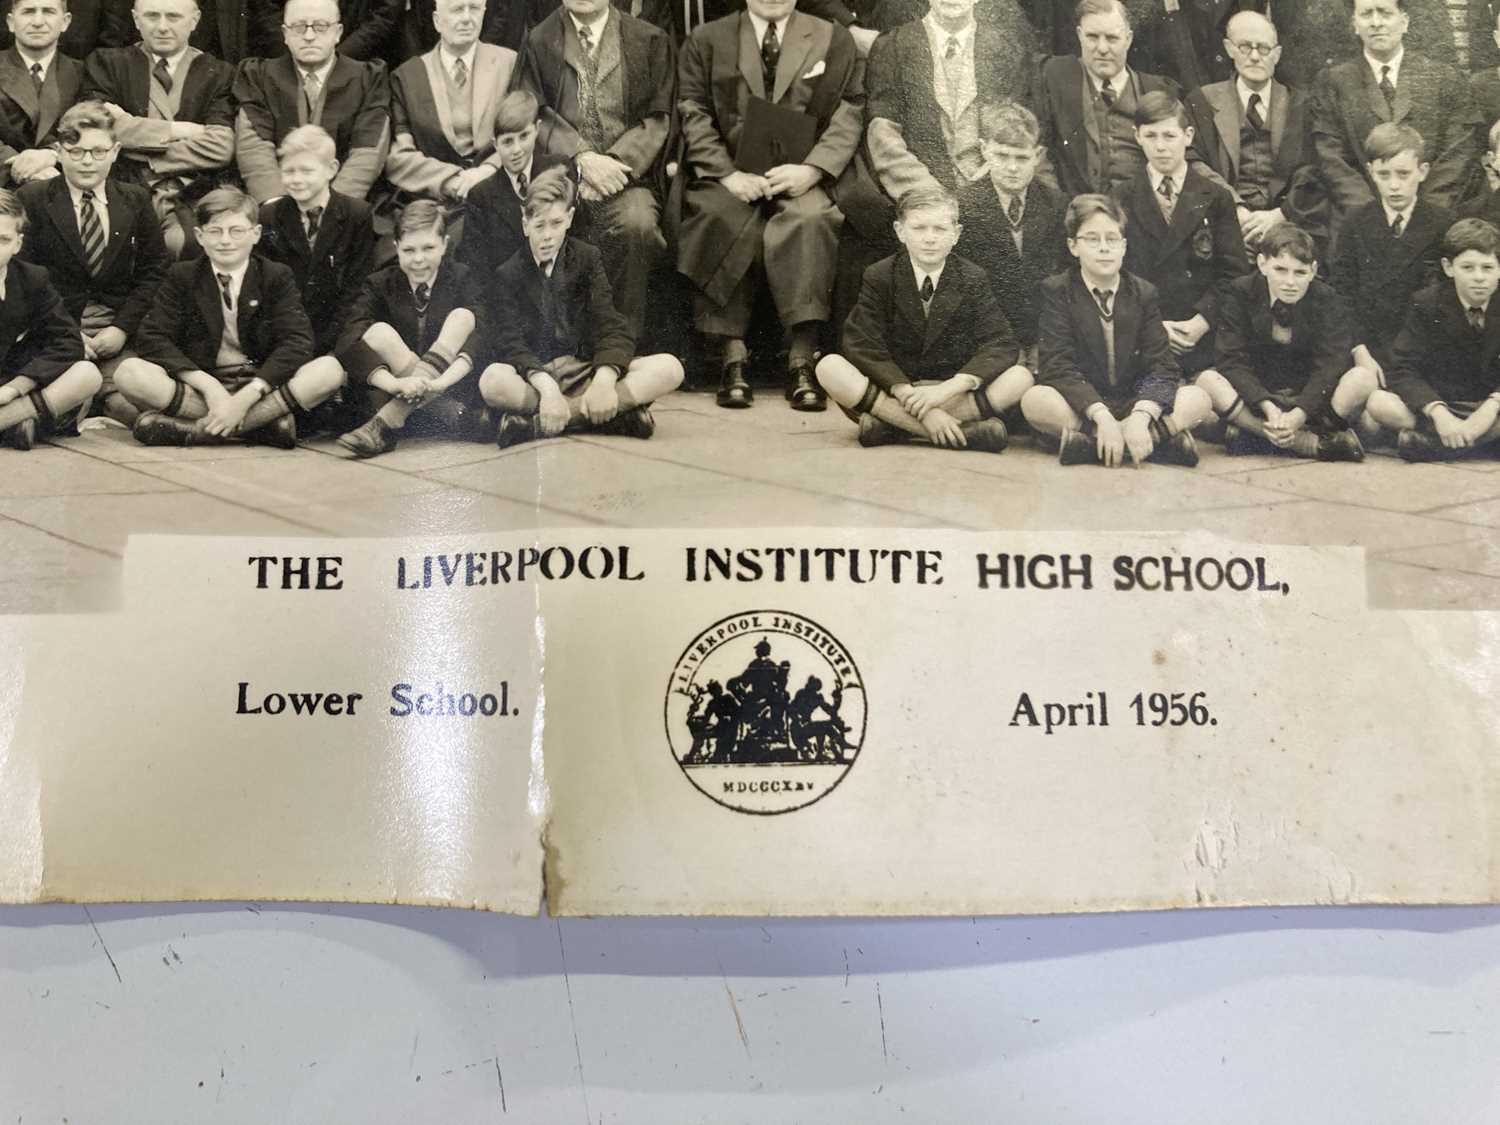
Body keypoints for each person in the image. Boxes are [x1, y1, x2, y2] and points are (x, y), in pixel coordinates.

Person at [675, 0, 862, 410]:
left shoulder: (832, 37)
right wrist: (727, 175)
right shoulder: (708, 39)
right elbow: (693, 110)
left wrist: (813, 170)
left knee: (811, 219)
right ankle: (732, 356)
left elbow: (851, 110)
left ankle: (801, 357)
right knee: (718, 215)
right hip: (730, 173)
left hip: (801, 173)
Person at [114, 186, 344, 446]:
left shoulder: (275, 275)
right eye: (215, 231)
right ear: (199, 236)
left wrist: (248, 395)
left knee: (330, 370)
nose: (226, 240)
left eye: (236, 231)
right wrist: (207, 385)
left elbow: (297, 342)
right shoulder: (183, 275)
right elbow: (152, 337)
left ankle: (198, 431)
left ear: (256, 234)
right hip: (202, 389)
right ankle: (261, 427)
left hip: (261, 386)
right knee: (129, 373)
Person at [478, 166, 684, 446]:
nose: (548, 236)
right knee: (492, 380)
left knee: (670, 368)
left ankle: (535, 425)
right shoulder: (508, 274)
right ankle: (613, 419)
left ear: (570, 219)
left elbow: (611, 325)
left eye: (556, 223)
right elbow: (511, 344)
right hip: (538, 377)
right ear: (525, 225)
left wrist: (603, 381)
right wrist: (547, 388)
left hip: (585, 371)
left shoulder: (587, 259)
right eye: (539, 226)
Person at [814, 186, 1022, 451]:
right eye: (919, 228)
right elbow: (861, 342)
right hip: (897, 390)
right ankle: (963, 433)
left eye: (940, 229)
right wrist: (910, 397)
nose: (930, 238)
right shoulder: (880, 275)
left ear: (956, 235)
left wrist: (948, 389)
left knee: (1020, 376)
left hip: (949, 391)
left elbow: (1001, 343)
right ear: (900, 232)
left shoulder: (972, 277)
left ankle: (891, 426)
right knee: (829, 366)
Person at [514, 0, 673, 340]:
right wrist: (581, 158)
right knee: (543, 221)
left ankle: (621, 344)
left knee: (638, 223)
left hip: (628, 176)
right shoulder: (540, 39)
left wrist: (614, 164)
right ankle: (559, 347)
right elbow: (534, 113)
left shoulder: (648, 38)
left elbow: (659, 118)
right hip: (562, 175)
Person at [1021, 193, 1211, 467]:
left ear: (1123, 246)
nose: (1103, 248)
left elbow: (1163, 366)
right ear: (1073, 246)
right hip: (1086, 405)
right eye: (1092, 239)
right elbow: (1057, 365)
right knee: (1035, 399)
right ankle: (1153, 442)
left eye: (1111, 239)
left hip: (1133, 401)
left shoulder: (1143, 293)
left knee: (1198, 398)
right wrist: (1100, 416)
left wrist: (1141, 415)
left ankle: (1093, 445)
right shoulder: (1058, 290)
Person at [17, 101, 169, 426]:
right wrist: (69, 333)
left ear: (115, 151)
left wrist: (122, 328)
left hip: (114, 332)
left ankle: (80, 412)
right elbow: (23, 278)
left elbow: (154, 272)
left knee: (130, 399)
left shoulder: (135, 199)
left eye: (98, 152)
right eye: (76, 151)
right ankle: (50, 415)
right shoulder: (33, 199)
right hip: (55, 331)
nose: (88, 162)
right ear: (58, 151)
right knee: (64, 384)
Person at [1194, 221, 1373, 461]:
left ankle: (1257, 438)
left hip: (1309, 402)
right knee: (1207, 380)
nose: (1290, 282)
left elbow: (1331, 364)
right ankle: (1305, 443)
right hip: (1260, 398)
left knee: (1362, 378)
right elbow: (1231, 358)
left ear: (1313, 271)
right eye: (1280, 269)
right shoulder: (1240, 291)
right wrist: (1266, 405)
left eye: (1300, 272)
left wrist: (1300, 413)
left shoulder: (1327, 298)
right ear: (1262, 264)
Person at [1112, 90, 1249, 377]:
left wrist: (1202, 320)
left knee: (1208, 409)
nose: (1160, 147)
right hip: (1145, 332)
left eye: (1169, 136)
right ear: (1137, 136)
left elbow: (1234, 274)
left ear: (1187, 136)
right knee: (1154, 394)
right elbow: (1115, 274)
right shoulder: (1120, 197)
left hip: (1201, 334)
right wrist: (1154, 326)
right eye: (1151, 136)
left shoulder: (1216, 197)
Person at [83, 0, 236, 256]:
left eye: (173, 17)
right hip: (125, 190)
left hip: (194, 194)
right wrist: (182, 130)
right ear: (135, 19)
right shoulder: (108, 63)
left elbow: (221, 146)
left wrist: (139, 144)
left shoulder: (219, 72)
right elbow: (99, 129)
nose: (162, 27)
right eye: (152, 16)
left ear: (195, 20)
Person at [333, 199, 485, 456]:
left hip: (450, 383)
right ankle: (447, 413)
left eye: (428, 248)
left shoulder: (462, 277)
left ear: (445, 244)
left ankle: (385, 424)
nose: (418, 259)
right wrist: (394, 384)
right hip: (396, 391)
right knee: (378, 332)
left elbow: (483, 333)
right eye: (409, 250)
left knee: (463, 317)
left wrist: (441, 382)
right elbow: (348, 338)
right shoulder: (380, 283)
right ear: (397, 248)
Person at [1312, 0, 1477, 222]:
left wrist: (1421, 217)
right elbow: (1332, 159)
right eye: (1367, 14)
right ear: (1354, 24)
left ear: (1405, 21)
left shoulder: (1444, 79)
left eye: (1385, 13)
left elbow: (1457, 156)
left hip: (1433, 220)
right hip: (1360, 221)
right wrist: (1373, 217)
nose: (1376, 22)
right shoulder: (1333, 82)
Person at [863, 0, 1037, 202]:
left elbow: (1014, 132)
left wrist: (982, 189)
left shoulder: (1004, 49)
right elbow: (883, 135)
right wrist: (927, 194)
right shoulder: (893, 45)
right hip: (917, 194)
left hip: (990, 193)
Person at [1185, 9, 1327, 255]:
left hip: (1286, 223)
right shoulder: (1203, 101)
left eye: (1263, 48)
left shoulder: (1299, 105)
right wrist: (1235, 209)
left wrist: (1280, 215)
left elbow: (1312, 170)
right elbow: (1193, 161)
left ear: (1277, 54)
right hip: (1224, 221)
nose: (1254, 57)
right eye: (1244, 47)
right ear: (1229, 48)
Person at [1367, 216, 1500, 459]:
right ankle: (1474, 443)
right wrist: (1438, 413)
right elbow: (1402, 367)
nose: (1479, 277)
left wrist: (1492, 406)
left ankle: (1431, 445)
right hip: (1443, 402)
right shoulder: (1427, 303)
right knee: (1379, 403)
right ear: (1449, 268)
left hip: (1492, 405)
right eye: (1468, 267)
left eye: (1487, 267)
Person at [1329, 121, 1452, 383]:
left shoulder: (1443, 223)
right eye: (1384, 175)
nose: (1394, 185)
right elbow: (1341, 294)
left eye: (1403, 174)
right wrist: (1359, 350)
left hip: (1420, 349)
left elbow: (1444, 298)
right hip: (1366, 347)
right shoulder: (1355, 221)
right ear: (1371, 172)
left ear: (1423, 171)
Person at [233, 0, 391, 204]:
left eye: (321, 26)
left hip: (343, 207)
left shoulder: (368, 78)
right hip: (276, 202)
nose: (309, 36)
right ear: (285, 34)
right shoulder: (258, 76)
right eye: (299, 27)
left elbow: (367, 152)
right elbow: (254, 147)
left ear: (338, 32)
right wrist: (279, 206)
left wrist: (330, 208)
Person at [1028, 0, 1181, 199]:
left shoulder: (1157, 89)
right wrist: (1062, 209)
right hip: (1075, 214)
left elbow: (1183, 160)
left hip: (1141, 216)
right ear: (1079, 35)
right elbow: (1038, 154)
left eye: (1112, 38)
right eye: (1092, 37)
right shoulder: (1054, 76)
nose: (1102, 48)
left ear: (1128, 39)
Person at [954, 101, 1066, 366]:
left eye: (1022, 157)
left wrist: (1045, 341)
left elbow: (1064, 279)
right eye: (1002, 156)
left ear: (1037, 156)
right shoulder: (964, 207)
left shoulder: (1057, 204)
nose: (1012, 168)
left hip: (1044, 335)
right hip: (986, 337)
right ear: (984, 150)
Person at [384, 0, 518, 212]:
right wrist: (454, 181)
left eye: (474, 8)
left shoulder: (509, 64)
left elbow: (524, 133)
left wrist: (489, 169)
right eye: (457, 9)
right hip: (434, 202)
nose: (466, 18)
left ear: (484, 14)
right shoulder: (408, 76)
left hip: (500, 190)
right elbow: (399, 158)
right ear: (437, 21)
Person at [255, 125, 375, 358]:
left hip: (337, 328)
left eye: (307, 171)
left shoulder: (356, 214)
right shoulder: (269, 216)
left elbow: (357, 287)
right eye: (288, 171)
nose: (296, 179)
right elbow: (268, 287)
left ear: (331, 169)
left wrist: (330, 343)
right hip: (287, 330)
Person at [0, 188, 101, 449]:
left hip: (11, 386)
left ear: (17, 244)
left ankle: (14, 419)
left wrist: (17, 387)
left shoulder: (32, 278)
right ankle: (18, 424)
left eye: (2, 240)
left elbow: (68, 341)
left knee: (87, 374)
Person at [455, 88, 571, 280]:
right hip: (508, 299)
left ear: (537, 129)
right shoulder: (481, 196)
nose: (517, 150)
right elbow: (475, 269)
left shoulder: (560, 169)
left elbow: (578, 245)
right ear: (495, 144)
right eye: (508, 141)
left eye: (524, 136)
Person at [0, 0, 84, 189]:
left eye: (48, 11)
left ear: (65, 21)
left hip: (63, 183)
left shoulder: (83, 73)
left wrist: (52, 154)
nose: (38, 21)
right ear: (11, 22)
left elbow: (88, 128)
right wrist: (18, 164)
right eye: (28, 12)